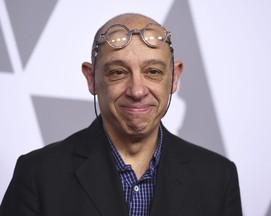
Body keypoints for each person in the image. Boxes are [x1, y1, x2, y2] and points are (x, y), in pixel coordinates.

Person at [0, 13, 242, 216]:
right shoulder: (38, 174)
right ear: (91, 78)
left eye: (153, 72)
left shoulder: (218, 178)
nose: (137, 90)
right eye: (117, 72)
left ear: (174, 78)